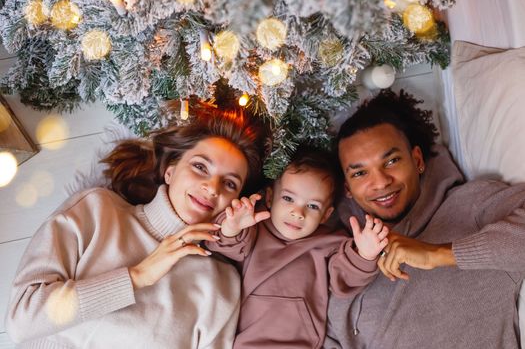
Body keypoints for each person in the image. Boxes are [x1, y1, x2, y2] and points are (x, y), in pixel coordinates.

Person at [5, 106, 268, 348]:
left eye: (230, 184)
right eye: (200, 167)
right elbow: (21, 322)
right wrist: (138, 276)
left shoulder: (221, 285)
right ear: (170, 171)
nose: (212, 188)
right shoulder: (97, 211)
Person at [324, 89, 525, 349]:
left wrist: (438, 255)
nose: (381, 182)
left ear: (417, 159)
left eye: (392, 161)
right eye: (360, 173)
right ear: (347, 188)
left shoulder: (469, 204)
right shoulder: (344, 254)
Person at [206, 147, 389, 349]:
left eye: (312, 206)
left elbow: (344, 281)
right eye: (288, 199)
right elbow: (223, 246)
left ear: (326, 215)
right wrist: (232, 226)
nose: (298, 213)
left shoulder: (330, 242)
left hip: (300, 343)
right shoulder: (254, 227)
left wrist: (364, 254)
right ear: (269, 198)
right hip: (244, 341)